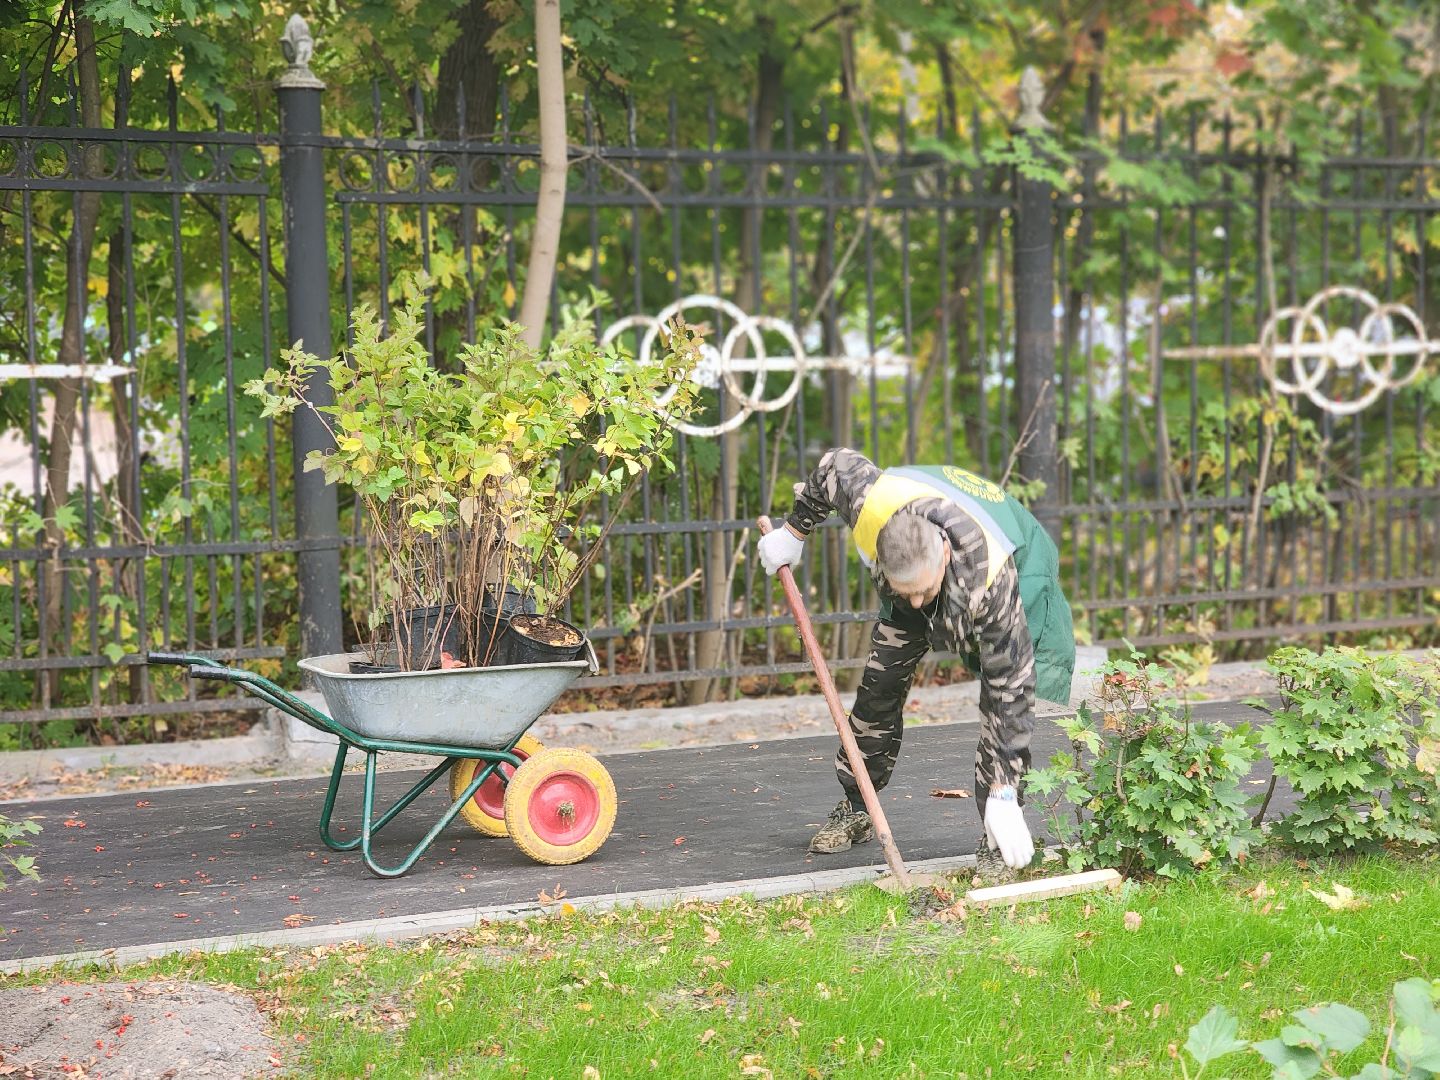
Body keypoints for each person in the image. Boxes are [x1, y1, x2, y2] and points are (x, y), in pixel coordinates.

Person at [756, 448, 1076, 876]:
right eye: (906, 592)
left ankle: (996, 835)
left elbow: (1009, 695)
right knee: (877, 689)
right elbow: (833, 465)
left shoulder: (992, 581)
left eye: (924, 593)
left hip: (1019, 564)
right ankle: (857, 805)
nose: (917, 602)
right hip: (917, 560)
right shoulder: (871, 505)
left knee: (1001, 702)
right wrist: (793, 532)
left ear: (944, 553)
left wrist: (1003, 791)